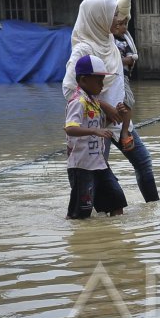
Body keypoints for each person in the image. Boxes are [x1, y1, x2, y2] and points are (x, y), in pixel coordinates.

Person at [62, 0, 158, 202]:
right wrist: (105, 107)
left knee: (143, 162)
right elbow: (70, 90)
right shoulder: (83, 49)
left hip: (118, 120)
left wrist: (124, 128)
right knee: (94, 172)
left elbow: (119, 88)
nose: (118, 20)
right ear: (99, 17)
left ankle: (155, 210)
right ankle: (89, 221)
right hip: (94, 124)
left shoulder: (109, 42)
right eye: (113, 15)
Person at [64, 54, 128, 219]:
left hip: (99, 165)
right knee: (80, 215)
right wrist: (95, 131)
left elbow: (97, 126)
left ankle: (110, 241)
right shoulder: (78, 101)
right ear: (84, 80)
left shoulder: (94, 101)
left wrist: (116, 116)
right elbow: (70, 128)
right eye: (98, 80)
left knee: (117, 204)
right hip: (82, 167)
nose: (102, 84)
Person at [111, 0, 138, 151]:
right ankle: (124, 131)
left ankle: (124, 131)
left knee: (128, 103)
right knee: (124, 104)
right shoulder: (107, 41)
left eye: (126, 24)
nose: (124, 27)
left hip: (123, 78)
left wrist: (124, 60)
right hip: (113, 80)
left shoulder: (123, 42)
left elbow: (130, 59)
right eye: (121, 24)